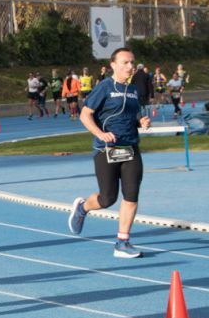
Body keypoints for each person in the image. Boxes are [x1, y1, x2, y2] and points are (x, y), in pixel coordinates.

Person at [66, 47, 153, 258]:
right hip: (106, 150)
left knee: (131, 196)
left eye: (132, 62)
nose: (130, 66)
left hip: (131, 148)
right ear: (113, 65)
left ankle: (122, 242)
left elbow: (132, 114)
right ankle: (82, 208)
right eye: (125, 62)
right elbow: (85, 115)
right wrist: (101, 133)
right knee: (107, 199)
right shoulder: (104, 87)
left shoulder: (133, 90)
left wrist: (141, 121)